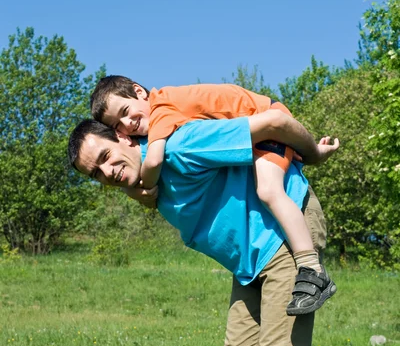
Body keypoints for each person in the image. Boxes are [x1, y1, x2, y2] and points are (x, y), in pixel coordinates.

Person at [68, 111, 338, 346]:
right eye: (95, 173)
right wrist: (134, 184)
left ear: (125, 137)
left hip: (285, 239)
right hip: (250, 261)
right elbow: (146, 187)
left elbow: (274, 122)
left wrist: (312, 152)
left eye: (106, 157)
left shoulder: (182, 145)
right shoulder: (148, 177)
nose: (106, 172)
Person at [90, 77, 337, 316]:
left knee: (269, 190)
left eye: (125, 111)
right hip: (260, 127)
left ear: (139, 92)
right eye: (116, 126)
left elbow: (153, 160)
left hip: (266, 118)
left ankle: (311, 268)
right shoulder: (161, 111)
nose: (126, 125)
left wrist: (143, 190)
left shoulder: (162, 110)